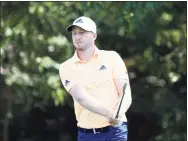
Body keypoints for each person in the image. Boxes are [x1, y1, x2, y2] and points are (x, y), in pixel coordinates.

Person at [59, 16, 132, 141]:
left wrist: (118, 114)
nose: (77, 37)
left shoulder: (111, 57)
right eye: (74, 33)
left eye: (82, 33)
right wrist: (109, 114)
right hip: (87, 134)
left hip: (115, 132)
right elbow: (82, 97)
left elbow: (125, 93)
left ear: (94, 35)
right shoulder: (67, 67)